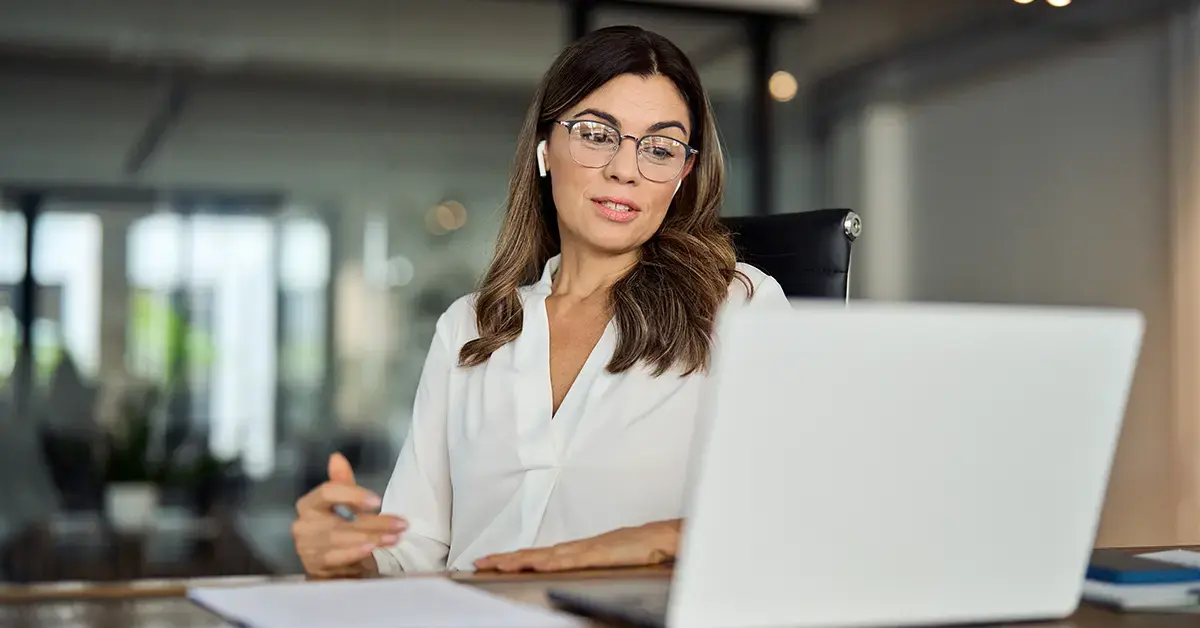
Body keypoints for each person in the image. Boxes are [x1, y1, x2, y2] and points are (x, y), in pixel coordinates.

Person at [291, 24, 789, 578]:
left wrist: (634, 544)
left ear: (683, 174)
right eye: (598, 134)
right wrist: (347, 558)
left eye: (661, 147)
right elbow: (413, 549)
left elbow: (789, 513)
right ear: (545, 149)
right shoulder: (471, 327)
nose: (626, 170)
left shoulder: (738, 307)